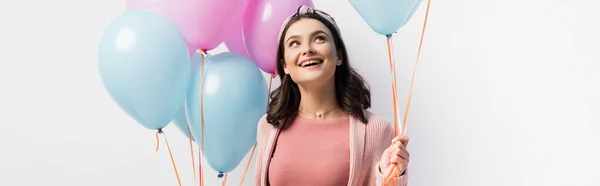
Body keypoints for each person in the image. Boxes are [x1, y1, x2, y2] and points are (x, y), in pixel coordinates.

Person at [253, 5, 410, 186]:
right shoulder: (268, 126)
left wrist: (390, 177)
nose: (307, 49)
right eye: (294, 43)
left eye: (319, 38)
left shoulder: (376, 130)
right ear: (285, 65)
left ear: (339, 56)